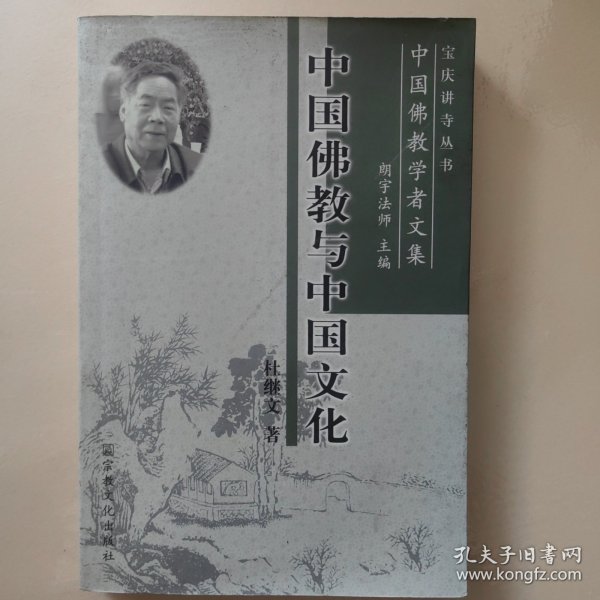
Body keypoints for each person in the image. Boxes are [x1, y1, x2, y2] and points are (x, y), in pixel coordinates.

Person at [103, 61, 201, 194]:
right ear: (123, 112)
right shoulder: (98, 167)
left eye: (168, 108)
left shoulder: (198, 168)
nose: (157, 117)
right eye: (145, 105)